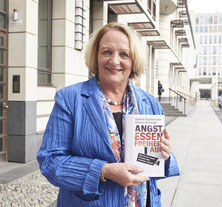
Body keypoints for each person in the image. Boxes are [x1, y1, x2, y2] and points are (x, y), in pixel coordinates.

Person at [37, 23, 180, 207]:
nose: (114, 61)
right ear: (96, 57)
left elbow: (154, 168)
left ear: (133, 60)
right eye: (106, 52)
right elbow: (50, 161)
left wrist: (165, 156)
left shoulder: (150, 103)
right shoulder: (70, 99)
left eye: (123, 54)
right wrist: (104, 171)